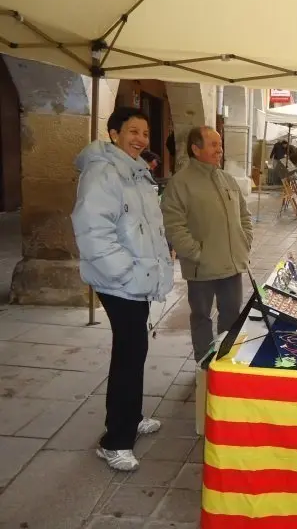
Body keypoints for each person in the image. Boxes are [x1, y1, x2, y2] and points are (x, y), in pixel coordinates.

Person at [71, 107, 174, 471]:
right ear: (114, 134)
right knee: (129, 354)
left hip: (137, 278)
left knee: (135, 350)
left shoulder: (136, 172)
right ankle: (114, 440)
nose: (141, 139)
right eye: (133, 131)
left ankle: (132, 415)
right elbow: (92, 230)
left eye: (145, 133)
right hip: (121, 281)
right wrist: (125, 272)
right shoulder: (103, 172)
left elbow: (147, 224)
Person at [161, 126, 254, 363]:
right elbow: (174, 225)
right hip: (201, 267)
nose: (219, 150)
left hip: (232, 265)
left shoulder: (227, 179)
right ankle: (203, 364)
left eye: (220, 144)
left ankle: (224, 362)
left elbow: (244, 215)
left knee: (232, 315)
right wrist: (196, 253)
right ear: (196, 149)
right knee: (202, 316)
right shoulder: (180, 183)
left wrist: (245, 240)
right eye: (213, 144)